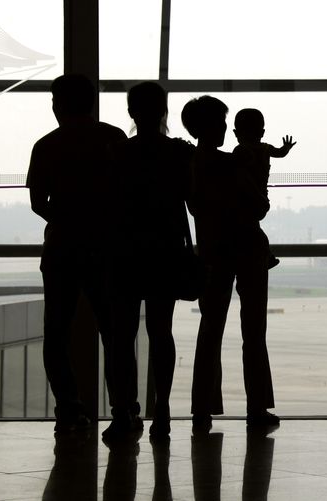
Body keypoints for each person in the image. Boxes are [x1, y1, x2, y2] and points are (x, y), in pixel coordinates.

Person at [27, 73, 126, 434]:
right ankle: (122, 408)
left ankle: (69, 407)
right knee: (114, 332)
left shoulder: (47, 145)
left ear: (59, 105)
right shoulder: (114, 139)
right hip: (107, 248)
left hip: (62, 248)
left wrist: (69, 218)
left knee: (56, 333)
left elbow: (39, 203)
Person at [103, 81, 194, 439]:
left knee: (122, 337)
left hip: (124, 252)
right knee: (161, 332)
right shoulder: (178, 154)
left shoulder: (116, 153)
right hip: (165, 249)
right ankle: (163, 411)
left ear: (131, 112)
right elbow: (192, 203)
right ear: (163, 112)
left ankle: (123, 411)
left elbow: (107, 206)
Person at [182, 96, 279, 431]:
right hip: (248, 249)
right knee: (253, 331)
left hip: (212, 252)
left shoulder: (190, 164)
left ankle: (202, 409)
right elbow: (259, 208)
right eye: (223, 123)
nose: (227, 129)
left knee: (210, 331)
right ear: (213, 125)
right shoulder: (233, 164)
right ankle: (257, 407)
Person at [232, 108, 296, 269]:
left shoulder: (240, 150)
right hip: (261, 196)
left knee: (250, 228)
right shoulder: (265, 148)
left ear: (236, 133)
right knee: (254, 228)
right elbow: (280, 153)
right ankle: (265, 254)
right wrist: (286, 148)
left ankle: (264, 253)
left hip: (243, 197)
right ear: (262, 132)